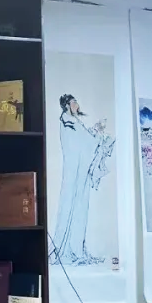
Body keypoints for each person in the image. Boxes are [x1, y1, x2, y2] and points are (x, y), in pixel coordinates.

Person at [51, 94, 111, 266]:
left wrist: (95, 131)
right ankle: (69, 250)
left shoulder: (74, 121)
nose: (77, 105)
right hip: (74, 171)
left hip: (79, 170)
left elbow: (85, 139)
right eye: (74, 102)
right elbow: (80, 143)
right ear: (67, 105)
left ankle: (77, 248)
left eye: (76, 102)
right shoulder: (67, 121)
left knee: (80, 206)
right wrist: (97, 135)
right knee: (72, 205)